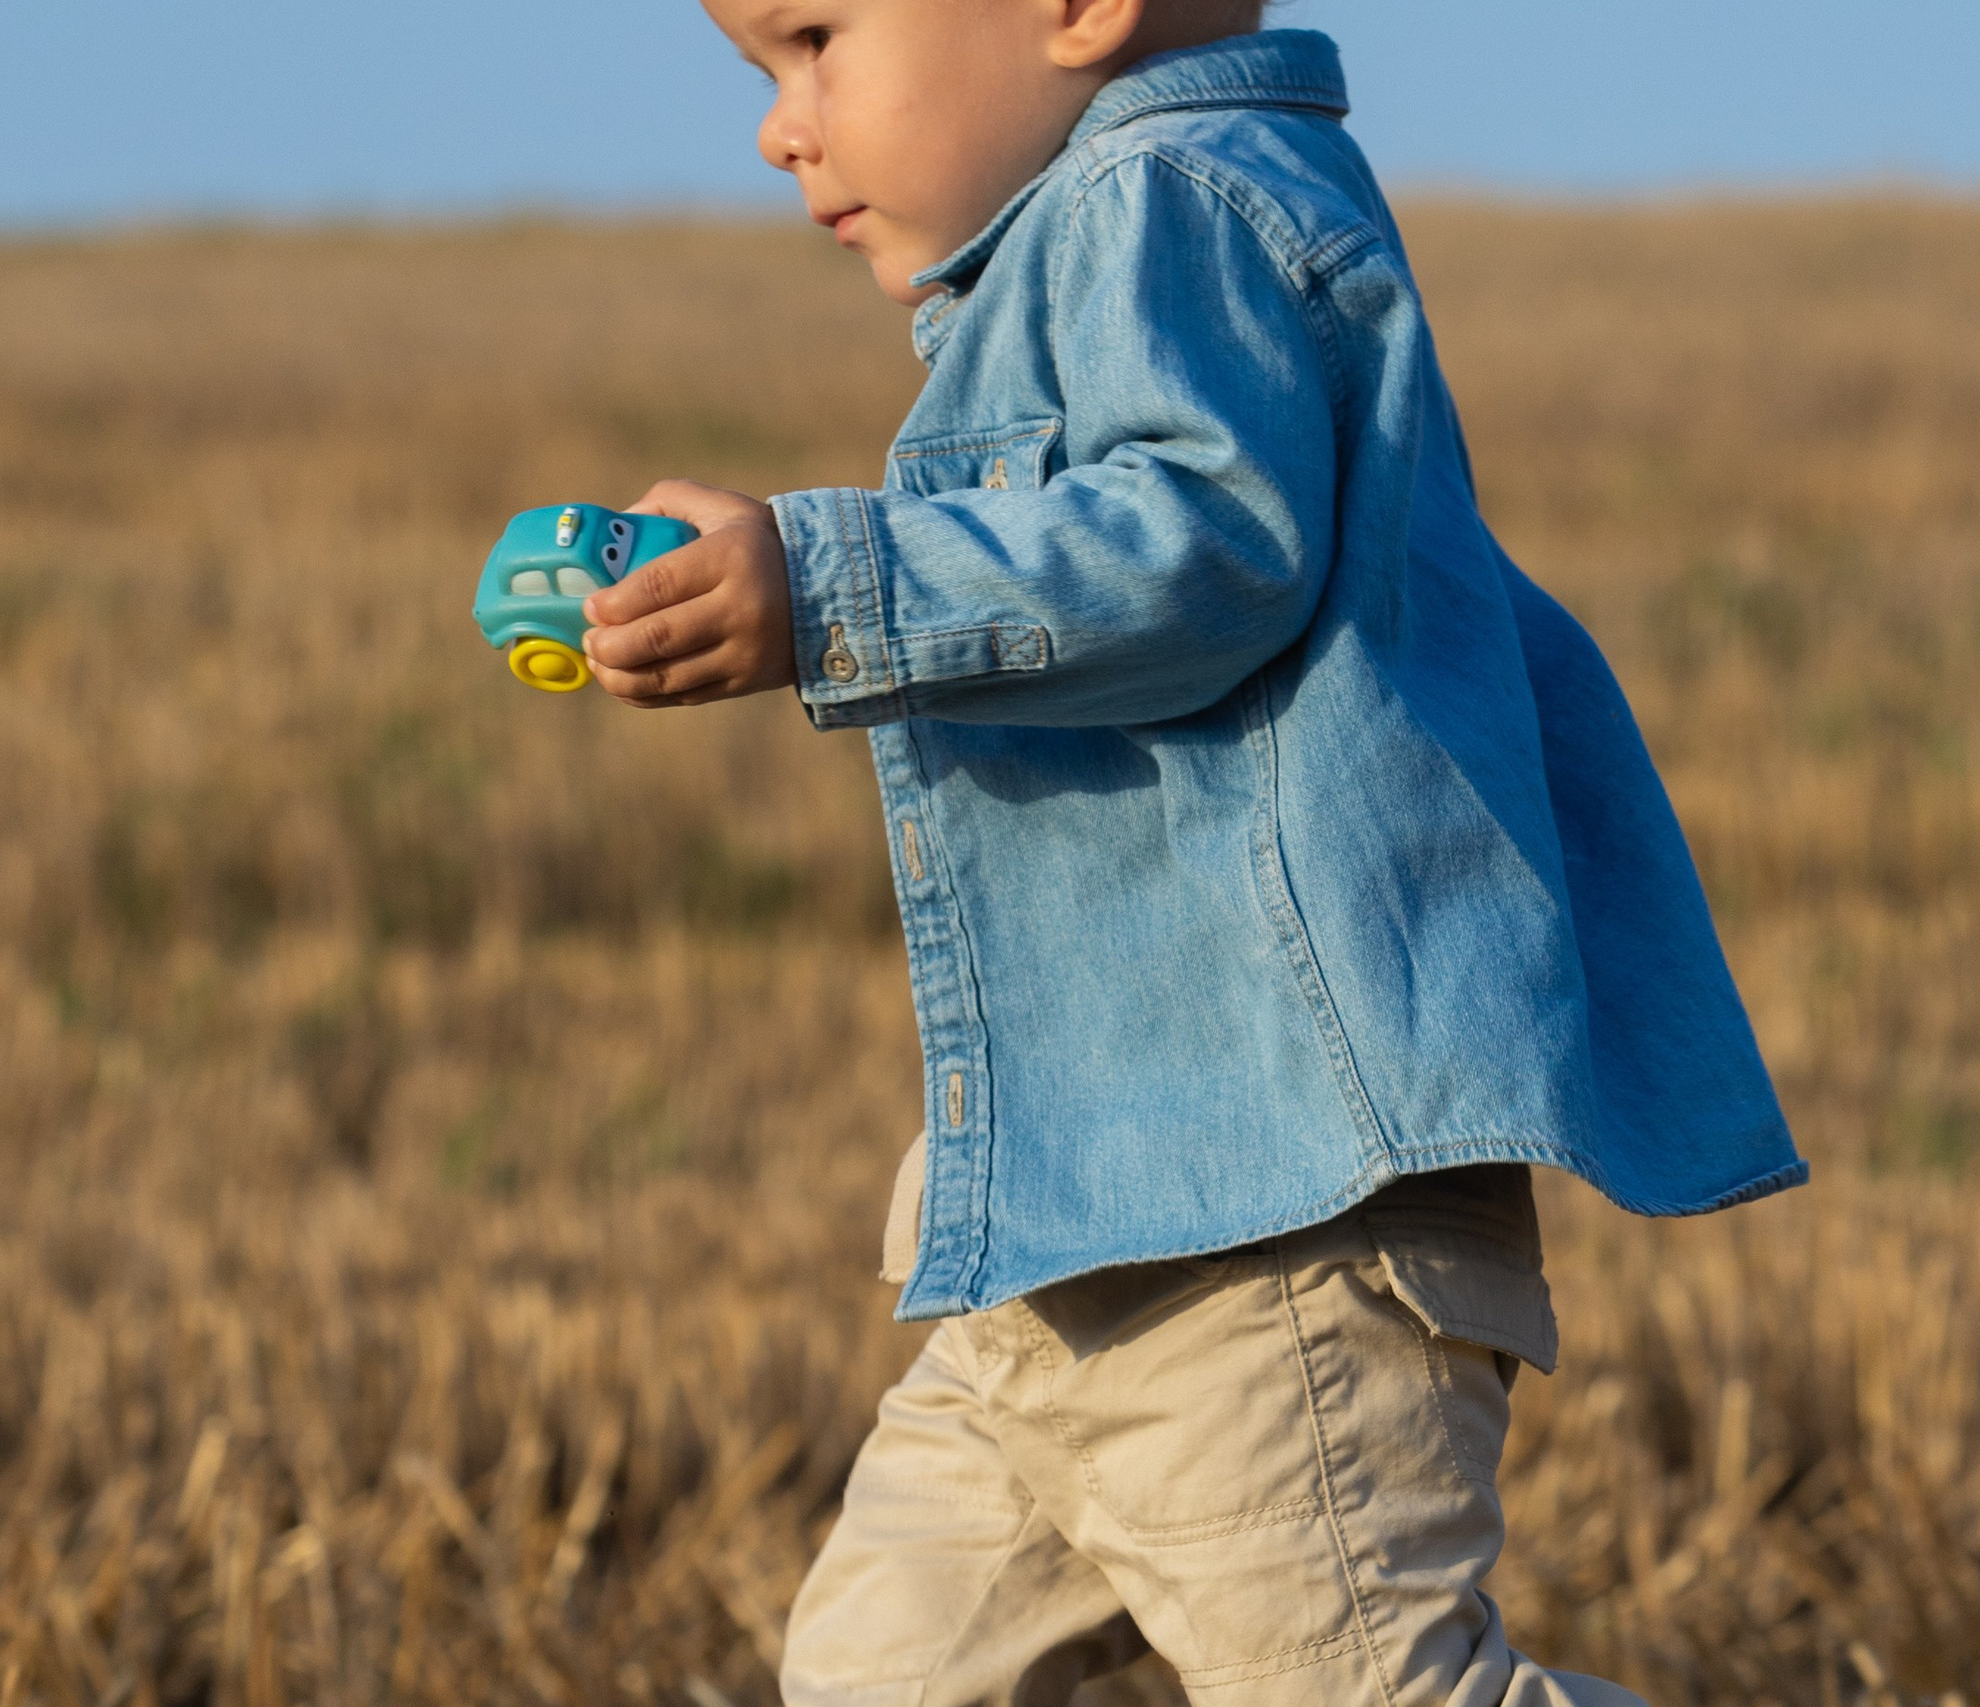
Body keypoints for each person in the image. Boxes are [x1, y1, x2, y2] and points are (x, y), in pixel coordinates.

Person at [577, 1, 1806, 1701]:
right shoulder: (1112, 234)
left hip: (1267, 1233)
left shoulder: (1172, 197)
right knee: (884, 1676)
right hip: (1095, 1217)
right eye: (763, 73)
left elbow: (1205, 549)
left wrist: (836, 586)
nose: (783, 126)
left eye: (817, 36)